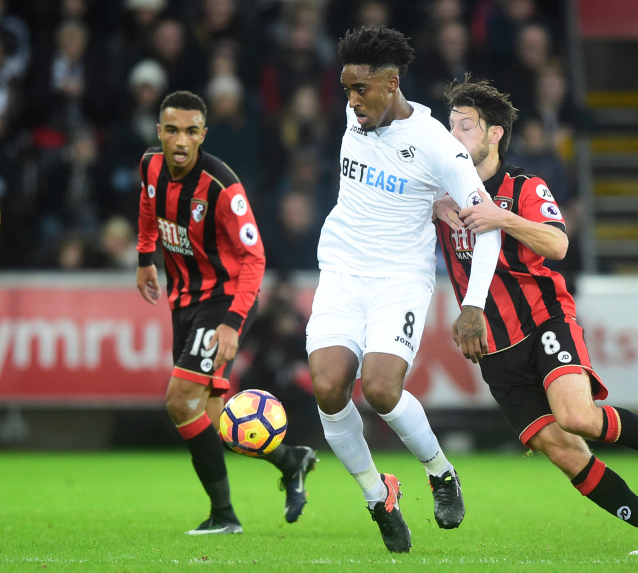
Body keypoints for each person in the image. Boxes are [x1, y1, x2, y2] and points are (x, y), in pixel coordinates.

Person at [433, 77, 638, 556]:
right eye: (450, 125)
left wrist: (501, 217)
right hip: (493, 346)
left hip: (542, 320)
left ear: (494, 134)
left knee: (576, 417)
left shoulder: (524, 186)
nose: (453, 135)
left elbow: (558, 243)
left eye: (465, 126)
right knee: (562, 451)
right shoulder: (439, 188)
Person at [306, 27, 502, 554]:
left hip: (399, 280)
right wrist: (433, 199)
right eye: (346, 90)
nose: (351, 101)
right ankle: (378, 497)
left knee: (380, 388)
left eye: (361, 90)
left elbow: (490, 225)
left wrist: (473, 305)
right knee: (327, 387)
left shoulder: (437, 146)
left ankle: (440, 472)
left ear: (391, 85)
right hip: (342, 271)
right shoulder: (358, 115)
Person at [135, 90, 317, 535]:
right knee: (217, 419)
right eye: (172, 130)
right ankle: (290, 460)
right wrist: (144, 258)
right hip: (184, 300)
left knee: (180, 401)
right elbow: (148, 205)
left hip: (223, 301)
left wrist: (232, 324)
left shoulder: (222, 187)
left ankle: (224, 515)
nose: (180, 140)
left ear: (203, 135)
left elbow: (255, 258)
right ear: (160, 132)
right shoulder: (150, 165)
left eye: (190, 131)